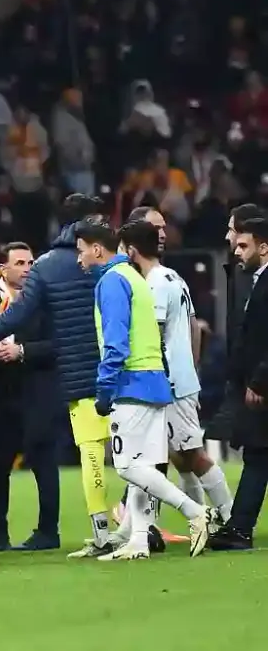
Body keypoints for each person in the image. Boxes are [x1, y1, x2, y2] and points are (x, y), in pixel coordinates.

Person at [0, 194, 117, 559]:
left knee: (93, 457)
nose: (27, 267)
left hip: (59, 381)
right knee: (106, 457)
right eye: (19, 262)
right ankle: (119, 530)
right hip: (81, 378)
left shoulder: (52, 272)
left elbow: (31, 327)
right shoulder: (107, 267)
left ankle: (125, 529)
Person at [73, 222, 214, 560]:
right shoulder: (135, 277)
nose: (78, 257)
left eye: (81, 249)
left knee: (127, 467)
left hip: (131, 384)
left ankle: (195, 511)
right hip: (154, 382)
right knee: (145, 466)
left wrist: (105, 390)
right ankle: (138, 538)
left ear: (96, 249)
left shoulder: (112, 282)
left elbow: (116, 344)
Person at [114, 209, 233, 544]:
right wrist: (190, 367)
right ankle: (170, 526)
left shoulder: (153, 285)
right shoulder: (173, 278)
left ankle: (229, 518)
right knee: (176, 457)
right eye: (157, 228)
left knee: (189, 454)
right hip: (179, 377)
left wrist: (169, 376)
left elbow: (156, 331)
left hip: (167, 382)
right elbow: (194, 327)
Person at [0, 243, 62, 552]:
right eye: (21, 263)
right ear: (3, 269)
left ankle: (48, 532)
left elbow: (58, 345)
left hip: (36, 392)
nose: (28, 268)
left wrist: (21, 351)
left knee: (44, 461)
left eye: (31, 262)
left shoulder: (44, 305)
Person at [210, 217, 268, 550]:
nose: (238, 251)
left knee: (259, 455)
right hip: (256, 381)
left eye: (244, 246)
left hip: (262, 386)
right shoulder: (256, 281)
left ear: (264, 247)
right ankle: (239, 527)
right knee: (259, 456)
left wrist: (259, 381)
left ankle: (240, 528)